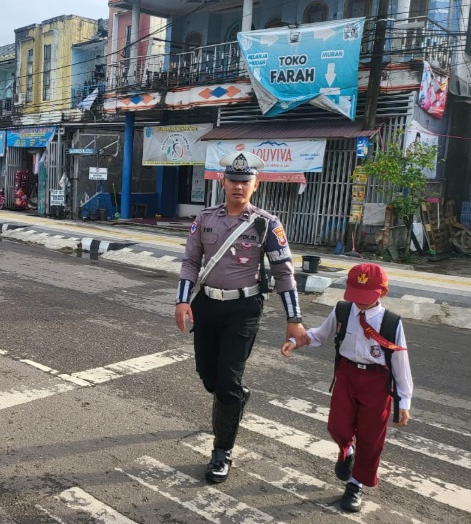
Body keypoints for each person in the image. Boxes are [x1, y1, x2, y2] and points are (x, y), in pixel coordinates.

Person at [174, 151, 308, 484]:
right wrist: (182, 300)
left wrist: (294, 318)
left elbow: (284, 273)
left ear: (255, 185)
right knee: (209, 377)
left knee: (228, 382)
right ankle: (234, 398)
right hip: (207, 306)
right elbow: (191, 262)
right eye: (233, 180)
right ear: (223, 181)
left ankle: (222, 451)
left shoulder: (267, 223)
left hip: (243, 311)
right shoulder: (205, 218)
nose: (239, 186)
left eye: (245, 181)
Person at [281, 262, 412, 513]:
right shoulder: (342, 310)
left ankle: (355, 483)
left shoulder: (391, 322)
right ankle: (346, 450)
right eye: (356, 294)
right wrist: (296, 342)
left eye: (366, 296)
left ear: (382, 292)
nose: (359, 302)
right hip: (347, 375)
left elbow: (400, 362)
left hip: (376, 382)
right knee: (337, 425)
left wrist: (404, 401)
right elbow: (321, 334)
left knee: (371, 438)